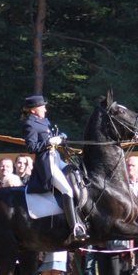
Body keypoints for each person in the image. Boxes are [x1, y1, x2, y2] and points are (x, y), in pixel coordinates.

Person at [22, 94, 87, 242]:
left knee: (75, 172)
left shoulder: (43, 121)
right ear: (33, 110)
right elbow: (31, 147)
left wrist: (60, 138)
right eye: (42, 106)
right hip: (46, 163)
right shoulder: (30, 124)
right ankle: (74, 228)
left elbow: (51, 139)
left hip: (56, 157)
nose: (45, 109)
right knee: (67, 190)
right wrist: (50, 142)